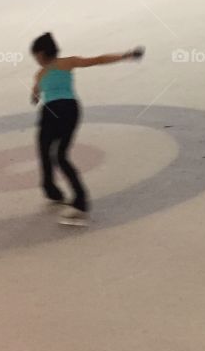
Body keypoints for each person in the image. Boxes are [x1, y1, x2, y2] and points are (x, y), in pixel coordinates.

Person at [30, 32, 143, 225]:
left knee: (49, 152)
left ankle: (71, 198)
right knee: (57, 154)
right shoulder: (66, 63)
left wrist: (35, 95)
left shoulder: (42, 73)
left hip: (53, 112)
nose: (36, 60)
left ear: (41, 53)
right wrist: (126, 55)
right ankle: (55, 191)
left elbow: (35, 93)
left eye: (36, 56)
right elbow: (98, 60)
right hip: (70, 110)